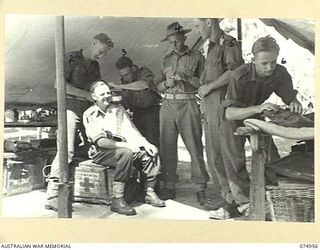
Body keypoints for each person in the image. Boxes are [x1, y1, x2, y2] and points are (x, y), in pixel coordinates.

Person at [218, 35, 302, 219]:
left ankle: (273, 196)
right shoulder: (239, 75)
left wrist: (293, 101)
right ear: (253, 59)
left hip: (256, 115)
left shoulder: (280, 72)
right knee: (235, 161)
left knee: (271, 157)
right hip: (233, 116)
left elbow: (288, 95)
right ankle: (245, 204)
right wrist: (258, 108)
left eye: (273, 62)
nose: (269, 67)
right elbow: (229, 113)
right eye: (264, 63)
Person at [45, 33, 114, 211]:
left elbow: (95, 87)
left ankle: (81, 190)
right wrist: (86, 95)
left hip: (87, 111)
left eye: (104, 53)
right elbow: (58, 84)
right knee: (65, 149)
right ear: (93, 43)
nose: (101, 55)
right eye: (101, 51)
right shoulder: (71, 58)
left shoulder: (95, 65)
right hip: (69, 108)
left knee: (90, 148)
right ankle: (53, 194)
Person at [83, 80, 165, 216]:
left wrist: (145, 144)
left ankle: (149, 192)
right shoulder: (90, 114)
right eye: (102, 94)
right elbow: (101, 142)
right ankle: (118, 199)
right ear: (94, 97)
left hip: (121, 148)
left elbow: (131, 130)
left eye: (108, 93)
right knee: (125, 153)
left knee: (151, 152)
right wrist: (126, 145)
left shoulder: (118, 109)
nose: (107, 96)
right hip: (102, 152)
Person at [193, 18, 246, 217]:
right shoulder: (210, 47)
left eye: (198, 26)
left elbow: (235, 71)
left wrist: (210, 86)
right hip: (210, 107)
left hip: (223, 106)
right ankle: (228, 199)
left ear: (208, 22)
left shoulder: (229, 42)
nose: (196, 31)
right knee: (214, 156)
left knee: (229, 155)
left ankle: (240, 201)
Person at [156, 21, 210, 204]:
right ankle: (169, 187)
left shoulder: (197, 57)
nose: (174, 44)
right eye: (171, 41)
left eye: (177, 41)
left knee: (195, 147)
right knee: (167, 147)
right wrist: (165, 84)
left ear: (184, 38)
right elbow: (157, 86)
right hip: (168, 105)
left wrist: (186, 78)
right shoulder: (165, 59)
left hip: (188, 103)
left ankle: (200, 188)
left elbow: (204, 84)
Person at [109, 56, 161, 147]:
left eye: (126, 74)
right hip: (137, 114)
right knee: (139, 143)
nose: (125, 78)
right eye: (122, 76)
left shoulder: (144, 72)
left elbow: (144, 84)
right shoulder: (124, 81)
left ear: (133, 68)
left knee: (153, 143)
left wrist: (120, 86)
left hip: (152, 112)